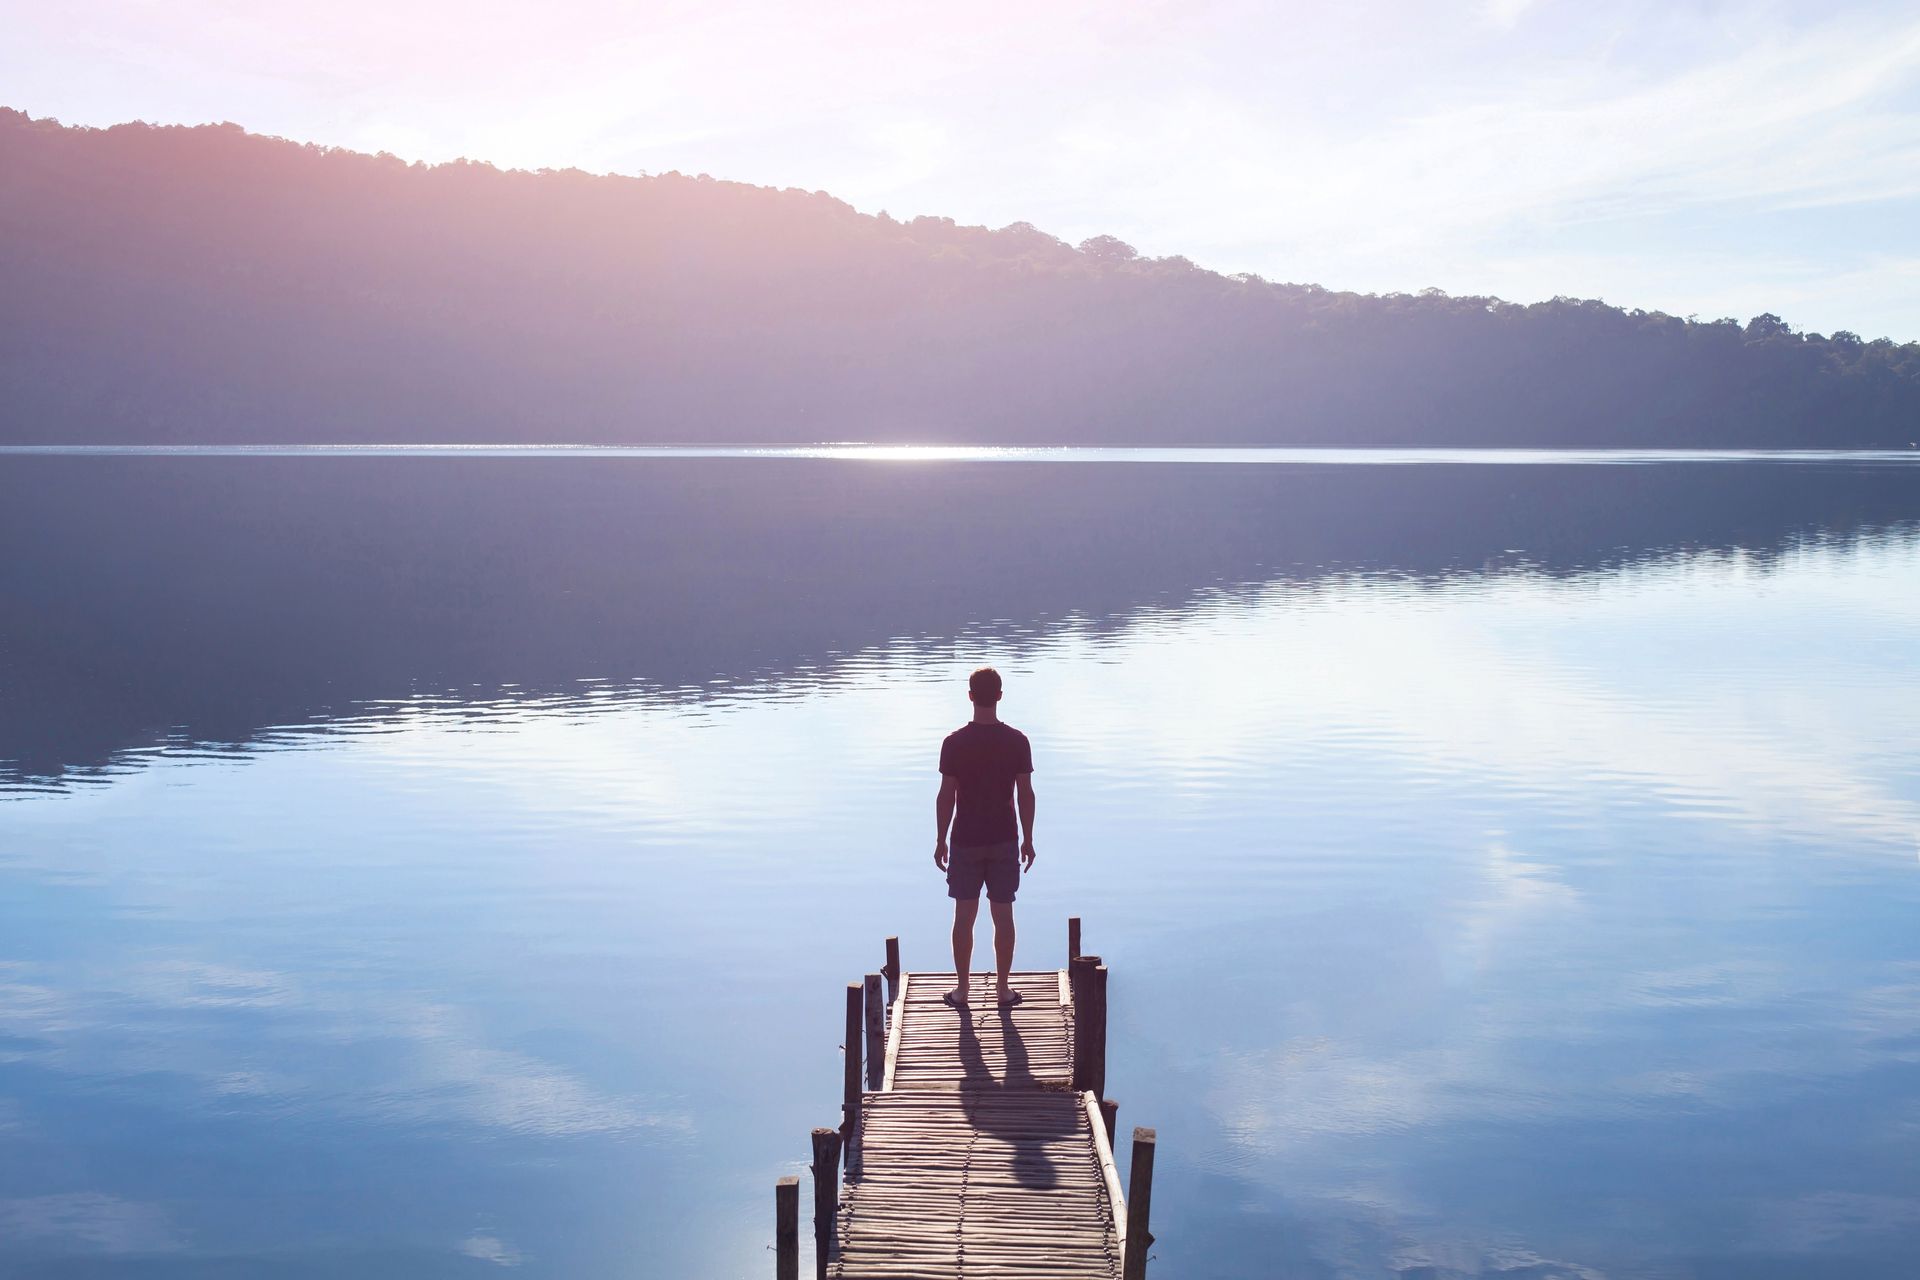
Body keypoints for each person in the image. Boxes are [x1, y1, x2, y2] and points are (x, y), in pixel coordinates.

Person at [934, 666, 1036, 1007]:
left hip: (965, 840)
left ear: (970, 696)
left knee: (964, 917)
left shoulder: (953, 743)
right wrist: (1029, 838)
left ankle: (962, 991)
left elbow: (946, 795)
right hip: (1005, 839)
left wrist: (940, 839)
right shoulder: (1018, 741)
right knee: (1003, 915)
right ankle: (1003, 990)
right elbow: (1026, 794)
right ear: (1000, 696)